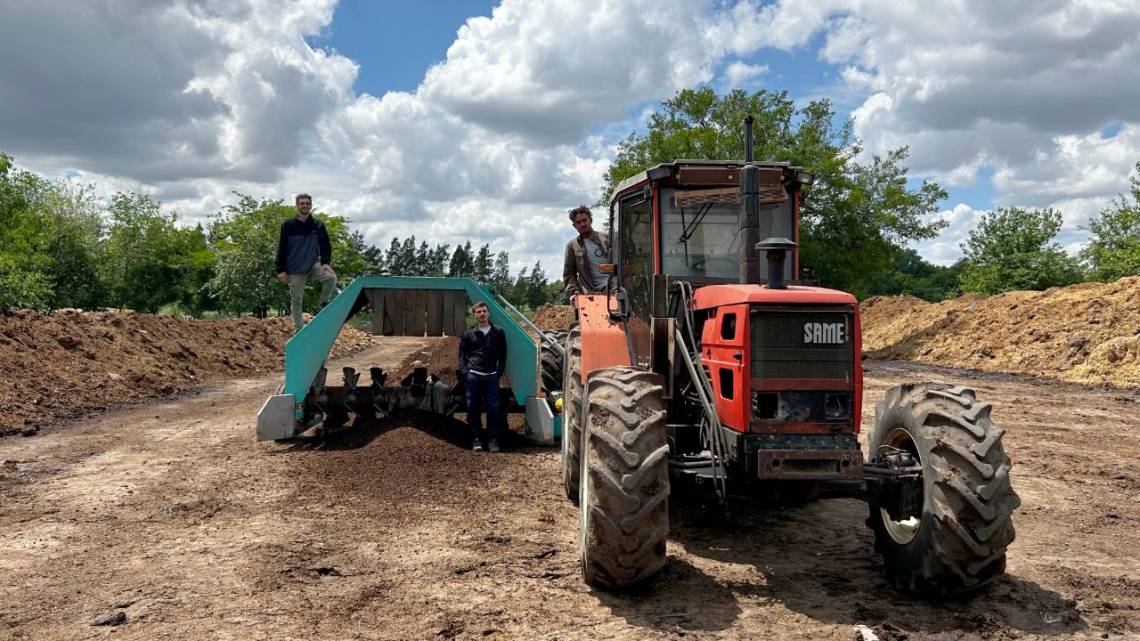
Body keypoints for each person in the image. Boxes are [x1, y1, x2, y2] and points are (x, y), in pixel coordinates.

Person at [276, 193, 336, 331]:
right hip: (295, 268)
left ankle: (323, 303)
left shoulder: (318, 225)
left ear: (311, 206)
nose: (305, 205)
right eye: (302, 203)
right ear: (297, 205)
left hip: (313, 264)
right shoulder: (288, 225)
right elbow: (282, 247)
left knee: (331, 278)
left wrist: (325, 262)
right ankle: (299, 330)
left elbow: (325, 245)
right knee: (296, 300)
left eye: (307, 203)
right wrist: (281, 269)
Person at [459, 301, 508, 453]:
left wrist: (499, 373)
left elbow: (503, 354)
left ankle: (492, 440)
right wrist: (466, 373)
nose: (482, 314)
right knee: (473, 408)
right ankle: (476, 439)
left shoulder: (498, 332)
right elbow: (462, 355)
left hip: (491, 377)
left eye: (484, 311)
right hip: (474, 376)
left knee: (493, 408)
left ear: (489, 313)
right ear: (474, 315)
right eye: (478, 312)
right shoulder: (468, 333)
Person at [562, 205, 611, 303]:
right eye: (578, 222)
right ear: (574, 225)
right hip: (590, 295)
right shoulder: (572, 246)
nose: (582, 224)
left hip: (613, 290)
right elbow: (569, 274)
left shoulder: (607, 238)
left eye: (585, 220)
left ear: (591, 220)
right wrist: (573, 293)